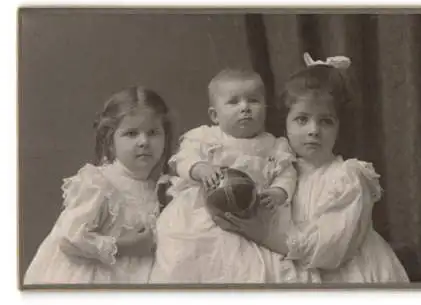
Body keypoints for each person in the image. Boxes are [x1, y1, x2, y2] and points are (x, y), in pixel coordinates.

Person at [216, 54, 410, 283]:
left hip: (349, 275)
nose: (313, 130)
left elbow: (330, 248)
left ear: (340, 127)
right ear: (285, 123)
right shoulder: (277, 172)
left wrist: (265, 236)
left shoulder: (347, 177)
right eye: (302, 119)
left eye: (326, 121)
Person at [150, 69, 298, 283]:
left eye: (253, 101)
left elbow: (287, 174)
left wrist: (277, 192)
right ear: (214, 115)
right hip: (204, 213)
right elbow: (182, 160)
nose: (245, 107)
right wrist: (201, 169)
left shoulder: (274, 146)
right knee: (189, 252)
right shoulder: (205, 137)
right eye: (234, 102)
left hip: (253, 215)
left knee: (254, 267)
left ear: (265, 109)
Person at [23, 86, 173, 284]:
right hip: (93, 280)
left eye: (153, 132)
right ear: (110, 141)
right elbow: (70, 237)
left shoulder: (160, 189)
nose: (144, 141)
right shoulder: (100, 183)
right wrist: (125, 246)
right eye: (131, 133)